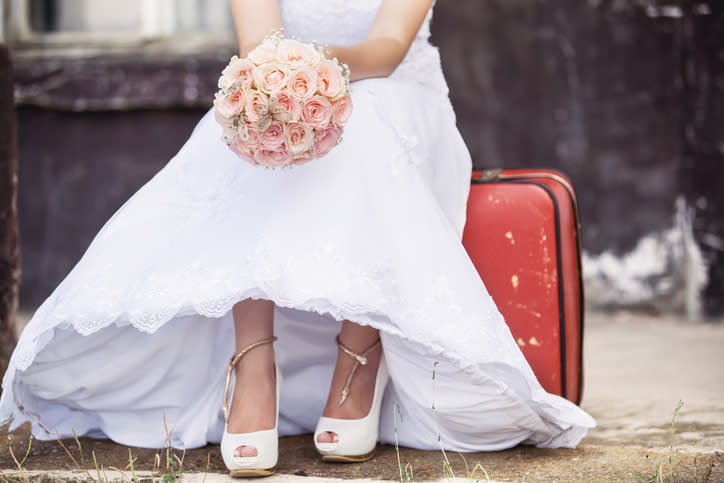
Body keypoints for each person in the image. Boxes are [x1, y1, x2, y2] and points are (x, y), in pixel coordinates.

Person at [0, 0, 595, 478]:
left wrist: (307, 73)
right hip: (298, 90)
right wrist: (278, 87)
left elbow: (386, 53)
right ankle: (253, 360)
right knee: (245, 124)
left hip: (397, 95)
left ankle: (359, 356)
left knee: (360, 129)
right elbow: (258, 44)